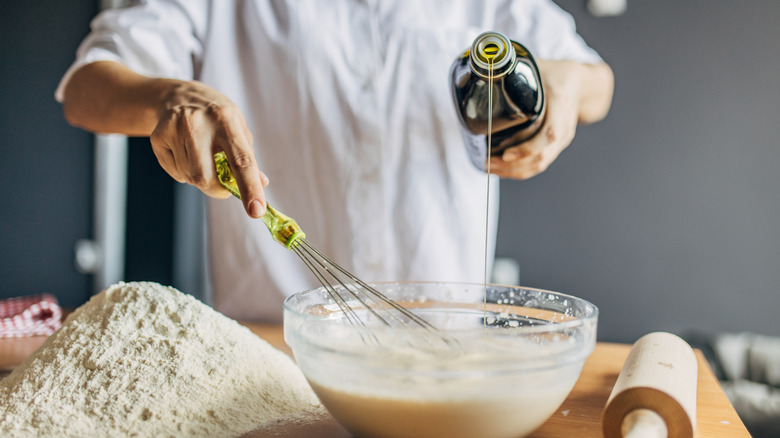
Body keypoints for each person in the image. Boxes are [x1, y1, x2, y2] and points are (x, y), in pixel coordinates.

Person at [57, 0, 614, 322]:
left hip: (443, 337)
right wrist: (166, 98)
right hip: (274, 345)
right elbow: (86, 87)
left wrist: (565, 84)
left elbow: (597, 83)